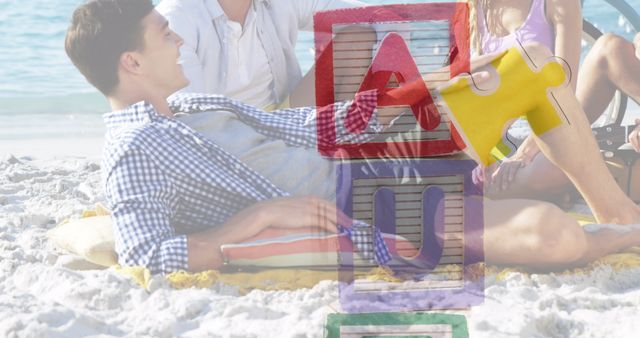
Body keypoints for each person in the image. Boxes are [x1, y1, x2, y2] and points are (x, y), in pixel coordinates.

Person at [65, 0, 640, 275]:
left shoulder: (195, 103)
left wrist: (422, 89)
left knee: (529, 63)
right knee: (556, 238)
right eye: (164, 36)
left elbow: (309, 123)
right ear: (132, 62)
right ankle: (610, 229)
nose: (179, 41)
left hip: (375, 156)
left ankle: (615, 210)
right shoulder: (132, 154)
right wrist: (257, 219)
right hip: (374, 206)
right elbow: (145, 253)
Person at [469, 0, 640, 201]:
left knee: (610, 48)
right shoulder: (474, 7)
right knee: (474, 179)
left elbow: (563, 96)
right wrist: (480, 157)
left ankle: (572, 183)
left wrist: (525, 153)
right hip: (500, 144)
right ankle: (599, 176)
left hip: (552, 126)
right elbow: (468, 100)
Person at [155, 0, 364, 109]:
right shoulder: (176, 19)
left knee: (358, 37)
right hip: (224, 138)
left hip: (284, 119)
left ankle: (340, 150)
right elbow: (193, 118)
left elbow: (374, 17)